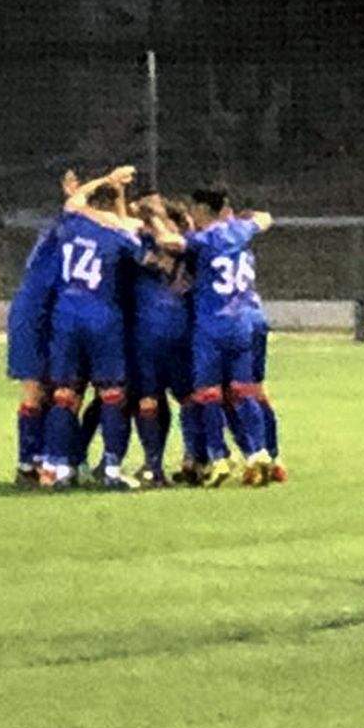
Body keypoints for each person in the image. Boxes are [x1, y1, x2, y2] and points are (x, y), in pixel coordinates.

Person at [41, 166, 153, 491]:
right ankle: (112, 469)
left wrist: (107, 180)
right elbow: (145, 257)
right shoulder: (117, 235)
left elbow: (75, 201)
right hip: (102, 318)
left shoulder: (71, 224)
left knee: (64, 396)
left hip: (65, 317)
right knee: (112, 395)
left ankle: (62, 470)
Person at [176, 187, 276, 488]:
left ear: (203, 210)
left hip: (212, 324)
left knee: (207, 393)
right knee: (244, 390)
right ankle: (259, 453)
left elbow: (173, 243)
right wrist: (246, 220)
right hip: (243, 322)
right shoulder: (241, 232)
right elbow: (265, 218)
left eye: (193, 210)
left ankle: (218, 457)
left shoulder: (204, 240)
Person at [7, 170, 81, 489]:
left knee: (43, 392)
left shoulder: (55, 234)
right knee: (53, 392)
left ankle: (37, 463)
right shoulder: (66, 232)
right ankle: (43, 463)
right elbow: (75, 210)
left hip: (36, 314)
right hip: (39, 316)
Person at [127, 195, 198, 487]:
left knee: (182, 399)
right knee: (156, 400)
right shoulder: (179, 243)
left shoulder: (183, 245)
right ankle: (161, 463)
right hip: (158, 333)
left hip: (169, 334)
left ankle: (184, 460)